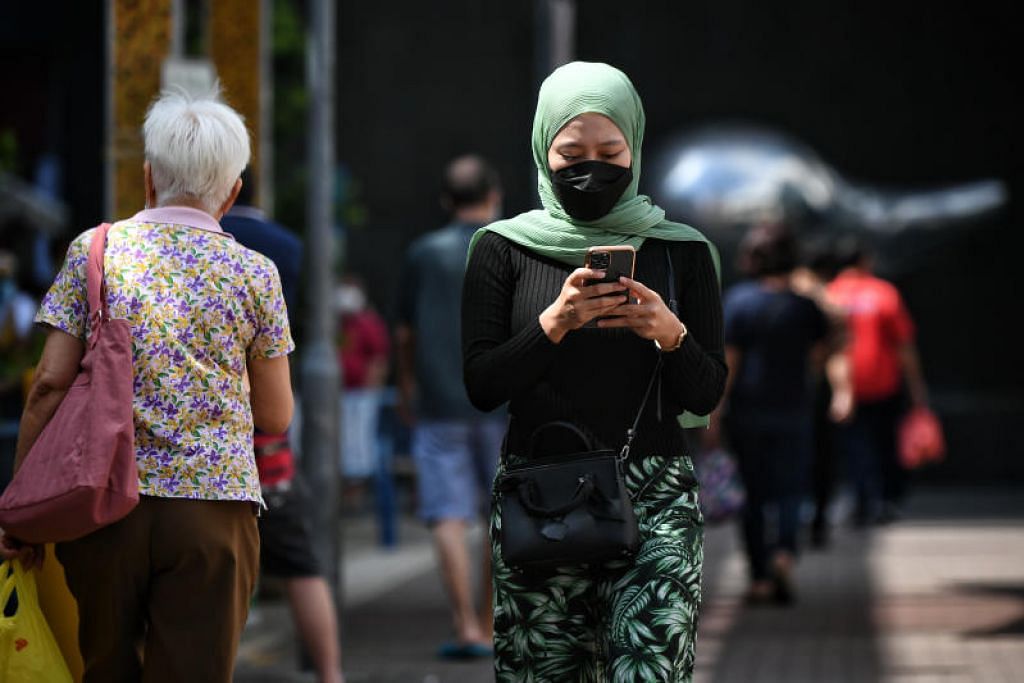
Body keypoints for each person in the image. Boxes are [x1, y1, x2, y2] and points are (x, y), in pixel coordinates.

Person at [0, 90, 294, 682]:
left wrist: (21, 506)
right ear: (234, 192)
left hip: (102, 504)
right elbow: (276, 415)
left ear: (147, 177)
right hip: (215, 512)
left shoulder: (96, 252)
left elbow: (49, 387)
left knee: (102, 667)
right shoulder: (256, 273)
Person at [462, 62, 726, 680]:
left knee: (650, 671)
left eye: (611, 150)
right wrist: (554, 322)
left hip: (657, 494)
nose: (592, 167)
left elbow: (706, 389)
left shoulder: (682, 252)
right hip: (540, 494)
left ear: (634, 147)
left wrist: (669, 333)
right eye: (570, 152)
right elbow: (482, 384)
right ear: (541, 150)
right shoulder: (502, 248)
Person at [221, 173, 345, 683]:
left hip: (209, 436)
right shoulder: (287, 248)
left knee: (214, 570)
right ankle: (332, 673)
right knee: (300, 561)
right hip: (268, 428)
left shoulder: (200, 245)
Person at [395, 154, 506, 660]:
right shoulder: (509, 247)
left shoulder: (423, 252)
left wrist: (406, 387)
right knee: (499, 514)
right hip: (502, 402)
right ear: (494, 196)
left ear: (445, 200)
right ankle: (487, 622)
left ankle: (462, 624)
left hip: (438, 402)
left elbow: (405, 332)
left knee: (447, 514)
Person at [711, 224, 841, 605]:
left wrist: (715, 413)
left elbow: (729, 364)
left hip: (749, 411)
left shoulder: (739, 302)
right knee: (790, 490)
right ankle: (784, 552)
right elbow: (822, 353)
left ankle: (759, 577)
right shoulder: (805, 305)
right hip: (795, 408)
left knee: (752, 495)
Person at [827, 237, 930, 525]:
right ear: (865, 261)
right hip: (884, 383)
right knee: (885, 444)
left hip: (844, 386)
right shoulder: (884, 293)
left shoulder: (830, 294)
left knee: (853, 446)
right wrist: (917, 387)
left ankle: (861, 501)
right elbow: (904, 345)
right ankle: (885, 501)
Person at [336, 275, 389, 504]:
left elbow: (379, 358)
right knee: (344, 441)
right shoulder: (337, 323)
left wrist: (370, 389)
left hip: (360, 394)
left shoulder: (368, 322)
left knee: (359, 442)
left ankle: (357, 487)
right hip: (339, 394)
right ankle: (347, 488)